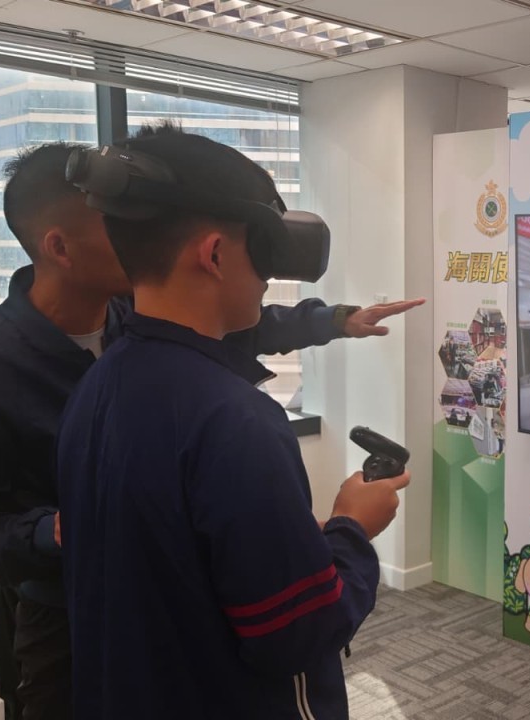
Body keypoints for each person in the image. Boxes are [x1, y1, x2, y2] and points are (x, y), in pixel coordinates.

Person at [0, 139, 421, 720]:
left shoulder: (113, 361)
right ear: (59, 247)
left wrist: (335, 320)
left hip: (168, 617)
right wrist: (352, 529)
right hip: (75, 609)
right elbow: (298, 635)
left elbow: (244, 325)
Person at [56, 126, 408, 719]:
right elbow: (299, 635)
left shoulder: (96, 386)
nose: (270, 277)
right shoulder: (236, 420)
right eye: (264, 250)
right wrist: (352, 527)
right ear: (215, 254)